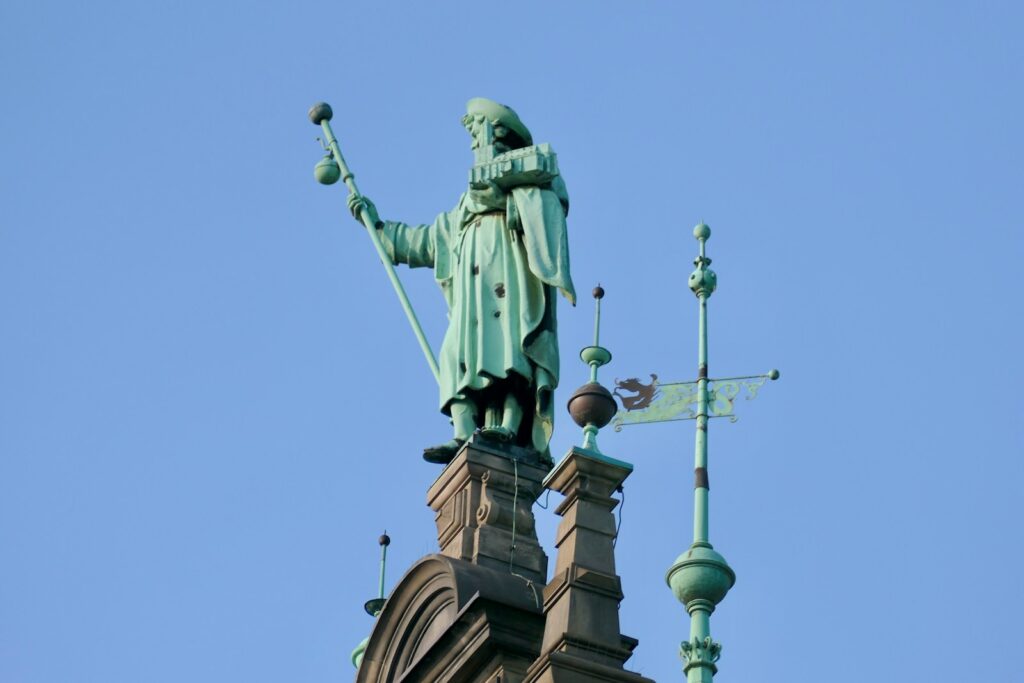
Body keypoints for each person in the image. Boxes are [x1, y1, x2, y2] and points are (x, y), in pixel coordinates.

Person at [348, 98, 575, 464]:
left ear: (498, 134)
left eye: (476, 130)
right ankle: (463, 432)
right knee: (457, 353)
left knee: (508, 349)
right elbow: (422, 242)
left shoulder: (526, 188)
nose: (473, 142)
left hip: (508, 288)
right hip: (471, 299)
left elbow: (551, 207)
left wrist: (511, 202)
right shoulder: (461, 213)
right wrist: (375, 224)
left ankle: (509, 424)